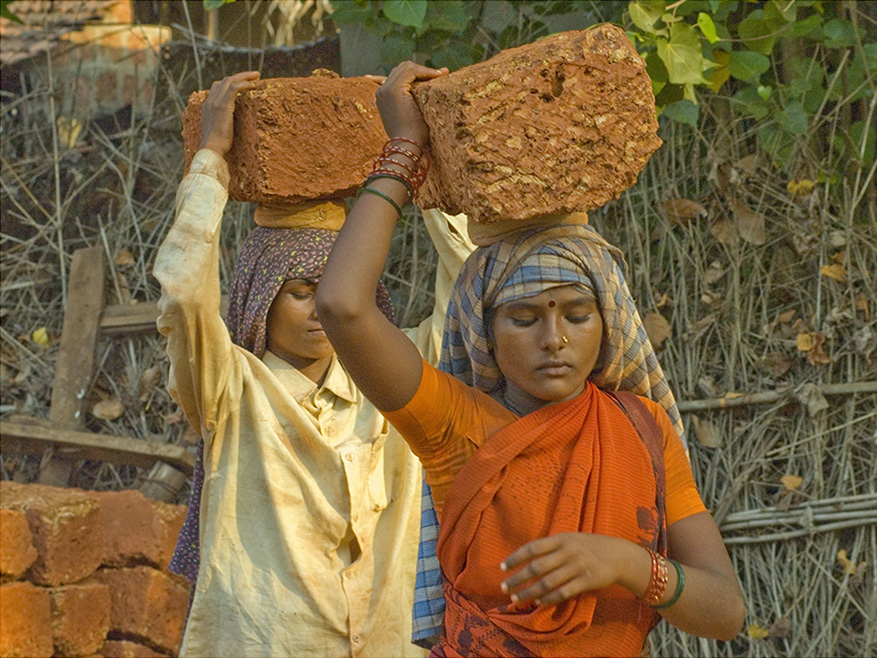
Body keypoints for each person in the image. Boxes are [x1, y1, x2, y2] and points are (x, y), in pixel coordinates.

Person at [315, 62, 746, 657]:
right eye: (524, 318)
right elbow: (342, 304)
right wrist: (405, 153)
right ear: (484, 331)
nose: (554, 338)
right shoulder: (455, 427)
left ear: (608, 321)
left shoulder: (643, 429)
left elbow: (725, 611)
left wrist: (625, 563)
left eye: (576, 314)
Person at [154, 71, 473, 657]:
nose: (325, 307)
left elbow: (466, 292)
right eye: (302, 290)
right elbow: (182, 292)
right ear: (260, 294)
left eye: (339, 288)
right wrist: (210, 160)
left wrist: (417, 151)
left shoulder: (397, 386)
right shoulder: (231, 392)